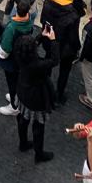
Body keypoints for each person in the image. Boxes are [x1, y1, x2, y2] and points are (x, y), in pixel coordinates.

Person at [12, 25, 59, 165]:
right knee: (38, 126)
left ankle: (23, 143)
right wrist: (54, 41)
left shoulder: (19, 55)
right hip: (36, 97)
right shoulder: (37, 64)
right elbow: (54, 61)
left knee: (22, 118)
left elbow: (29, 47)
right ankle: (39, 153)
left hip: (22, 91)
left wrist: (40, 36)